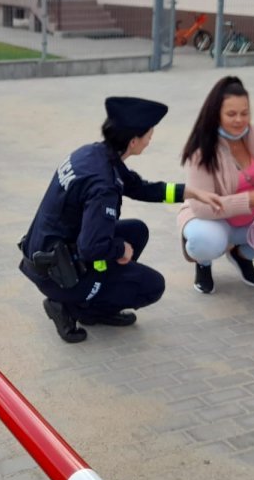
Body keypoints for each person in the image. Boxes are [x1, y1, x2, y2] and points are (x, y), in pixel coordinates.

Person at [19, 96, 224, 344]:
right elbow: (91, 247)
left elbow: (139, 188)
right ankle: (72, 307)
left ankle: (90, 301)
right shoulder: (103, 185)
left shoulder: (94, 154)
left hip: (47, 254)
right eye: (149, 134)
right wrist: (120, 249)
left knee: (137, 231)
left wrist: (189, 192)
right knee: (152, 285)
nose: (151, 140)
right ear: (133, 140)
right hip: (57, 272)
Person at [178, 76, 254, 294]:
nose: (239, 120)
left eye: (245, 113)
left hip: (253, 221)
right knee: (204, 241)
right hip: (214, 222)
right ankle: (203, 263)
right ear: (216, 114)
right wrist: (247, 200)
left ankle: (243, 255)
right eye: (231, 114)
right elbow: (201, 207)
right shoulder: (201, 149)